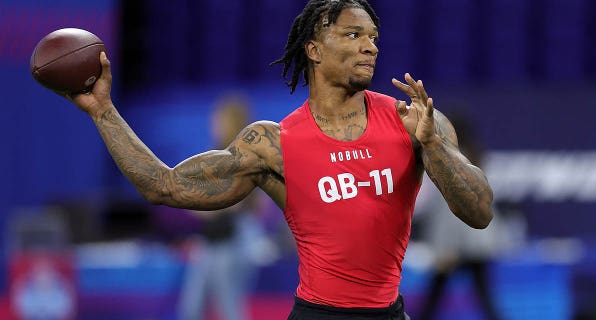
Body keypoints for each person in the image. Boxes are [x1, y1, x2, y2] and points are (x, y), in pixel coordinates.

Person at [64, 1, 494, 319]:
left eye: (374, 38)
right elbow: (164, 185)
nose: (370, 47)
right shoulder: (272, 144)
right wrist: (104, 112)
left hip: (389, 313)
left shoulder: (413, 122)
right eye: (353, 35)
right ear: (314, 49)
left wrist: (434, 147)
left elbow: (479, 214)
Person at [177, 94, 263, 320]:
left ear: (232, 122)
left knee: (229, 307)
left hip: (234, 240)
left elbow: (240, 201)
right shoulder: (213, 156)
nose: (214, 125)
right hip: (208, 241)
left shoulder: (246, 157)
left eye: (219, 120)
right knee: (191, 308)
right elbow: (193, 200)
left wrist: (208, 202)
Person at [413, 112, 504, 320]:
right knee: (485, 299)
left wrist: (447, 248)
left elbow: (449, 211)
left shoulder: (446, 158)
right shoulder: (476, 156)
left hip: (458, 245)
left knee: (433, 301)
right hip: (478, 242)